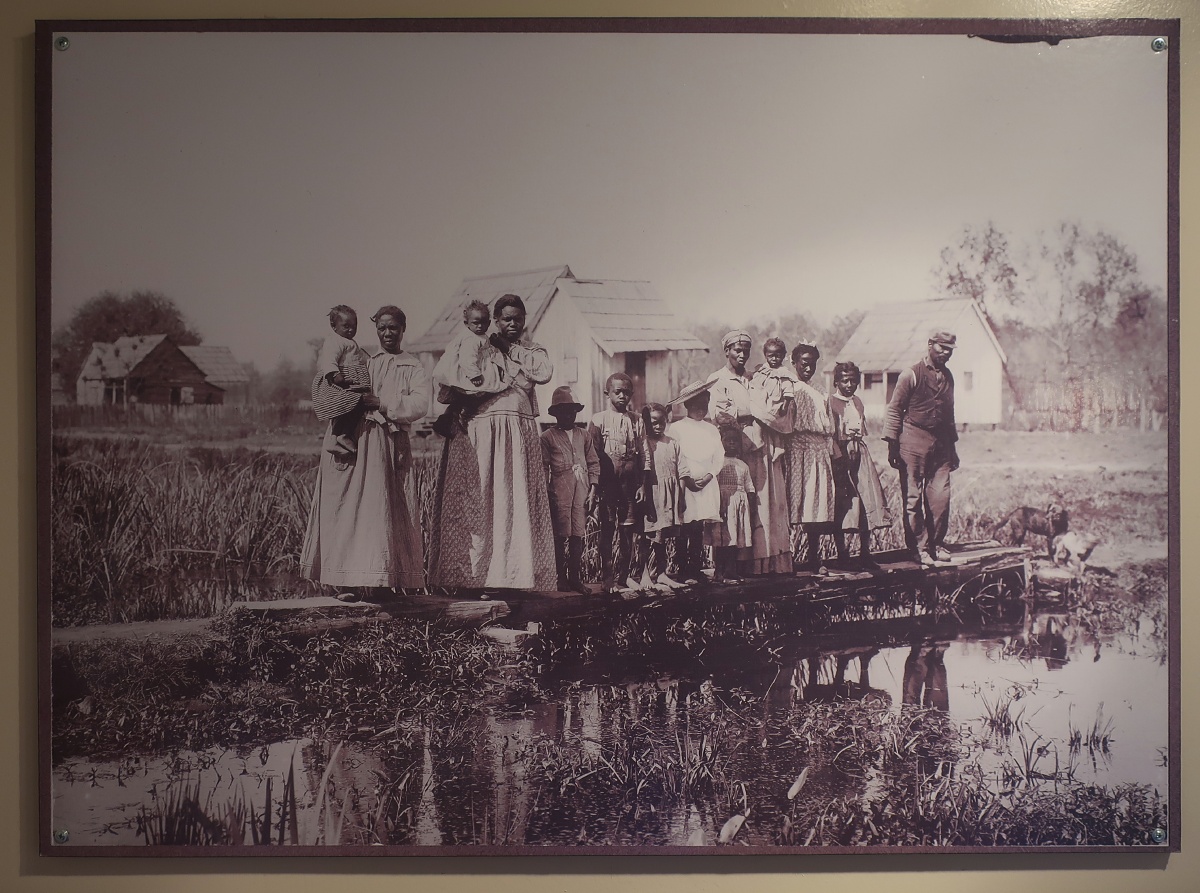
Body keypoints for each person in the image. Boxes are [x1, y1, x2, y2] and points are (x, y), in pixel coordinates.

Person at [428, 294, 558, 592]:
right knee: (481, 498)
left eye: (518, 319)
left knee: (512, 498)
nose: (512, 324)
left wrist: (509, 348)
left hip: (516, 429)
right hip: (482, 429)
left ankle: (513, 578)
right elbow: (452, 380)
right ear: (495, 321)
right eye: (506, 319)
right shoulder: (476, 344)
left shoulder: (530, 350)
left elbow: (544, 372)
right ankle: (471, 579)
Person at [300, 305, 428, 596]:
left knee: (386, 510)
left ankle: (382, 582)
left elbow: (420, 405)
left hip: (390, 442)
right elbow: (337, 385)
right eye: (382, 328)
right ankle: (347, 581)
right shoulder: (365, 361)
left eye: (393, 327)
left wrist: (382, 403)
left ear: (403, 329)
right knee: (351, 508)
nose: (387, 333)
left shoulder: (412, 365)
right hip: (358, 440)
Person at [706, 330, 789, 577]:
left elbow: (772, 407)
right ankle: (733, 565)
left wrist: (756, 412)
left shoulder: (755, 378)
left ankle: (761, 562)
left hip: (758, 449)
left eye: (745, 351)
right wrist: (751, 411)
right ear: (727, 351)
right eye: (737, 350)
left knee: (760, 503)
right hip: (733, 450)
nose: (742, 355)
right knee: (733, 505)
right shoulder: (718, 380)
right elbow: (720, 414)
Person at [883, 330, 960, 568]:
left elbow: (949, 414)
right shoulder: (911, 374)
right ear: (930, 345)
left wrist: (953, 448)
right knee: (913, 498)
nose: (946, 353)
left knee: (940, 498)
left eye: (949, 350)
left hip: (941, 444)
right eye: (941, 347)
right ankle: (919, 548)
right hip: (912, 440)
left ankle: (936, 544)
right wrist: (892, 446)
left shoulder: (948, 377)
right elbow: (894, 409)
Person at [587, 372, 649, 593]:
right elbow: (592, 454)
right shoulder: (598, 419)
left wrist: (643, 484)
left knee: (627, 530)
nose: (623, 396)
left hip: (629, 485)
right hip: (608, 484)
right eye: (618, 392)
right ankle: (607, 577)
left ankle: (624, 576)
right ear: (608, 393)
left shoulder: (637, 420)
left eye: (627, 392)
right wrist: (595, 486)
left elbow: (644, 453)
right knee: (607, 529)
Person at [828, 361, 892, 566]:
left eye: (853, 381)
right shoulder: (830, 403)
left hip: (859, 454)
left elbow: (860, 430)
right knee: (842, 501)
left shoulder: (857, 402)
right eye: (845, 381)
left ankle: (865, 552)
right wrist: (838, 457)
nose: (849, 385)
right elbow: (831, 434)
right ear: (836, 382)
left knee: (867, 498)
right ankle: (842, 553)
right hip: (840, 455)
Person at [540, 386, 599, 594]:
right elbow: (543, 466)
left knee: (577, 533)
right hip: (559, 490)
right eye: (563, 411)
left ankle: (575, 578)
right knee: (560, 534)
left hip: (581, 488)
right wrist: (547, 492)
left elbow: (593, 463)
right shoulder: (547, 437)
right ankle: (560, 577)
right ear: (555, 413)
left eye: (572, 411)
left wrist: (593, 489)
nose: (568, 416)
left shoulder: (584, 435)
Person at [665, 380, 723, 585]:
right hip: (685, 486)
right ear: (687, 405)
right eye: (696, 405)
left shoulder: (712, 430)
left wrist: (708, 476)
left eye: (704, 405)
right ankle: (682, 569)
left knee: (698, 527)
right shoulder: (676, 429)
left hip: (705, 486)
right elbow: (674, 457)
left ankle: (695, 568)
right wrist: (687, 480)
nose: (701, 409)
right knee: (684, 527)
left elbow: (719, 457)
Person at [748, 337, 797, 576]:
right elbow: (754, 397)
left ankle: (777, 557)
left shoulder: (785, 376)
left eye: (778, 355)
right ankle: (759, 557)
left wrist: (782, 407)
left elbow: (788, 400)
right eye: (770, 355)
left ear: (783, 356)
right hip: (760, 430)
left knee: (775, 495)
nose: (774, 359)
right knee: (760, 494)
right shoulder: (759, 374)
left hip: (775, 423)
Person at [786, 343, 836, 574]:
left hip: (817, 451)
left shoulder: (821, 392)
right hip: (794, 449)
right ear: (794, 362)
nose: (808, 368)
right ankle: (786, 558)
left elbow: (829, 427)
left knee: (815, 504)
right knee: (791, 502)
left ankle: (815, 558)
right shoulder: (787, 387)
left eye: (812, 364)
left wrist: (829, 451)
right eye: (804, 363)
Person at [638, 403, 695, 591]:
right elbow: (643, 471)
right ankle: (644, 572)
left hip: (670, 495)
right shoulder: (644, 443)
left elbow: (682, 471)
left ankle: (661, 573)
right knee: (648, 535)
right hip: (653, 494)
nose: (658, 426)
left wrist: (681, 497)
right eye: (653, 422)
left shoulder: (673, 443)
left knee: (662, 535)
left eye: (661, 422)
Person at [430, 300, 507, 438]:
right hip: (468, 374)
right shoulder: (470, 339)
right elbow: (467, 359)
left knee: (464, 399)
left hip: (472, 371)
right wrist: (474, 375)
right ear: (467, 323)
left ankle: (449, 419)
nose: (480, 326)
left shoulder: (478, 336)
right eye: (476, 323)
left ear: (489, 323)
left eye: (483, 322)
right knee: (474, 396)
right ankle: (458, 418)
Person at [312, 305, 374, 457]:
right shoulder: (334, 341)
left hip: (351, 381)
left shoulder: (351, 342)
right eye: (346, 326)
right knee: (349, 407)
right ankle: (342, 435)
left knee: (350, 408)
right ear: (334, 326)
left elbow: (362, 358)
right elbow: (329, 360)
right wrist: (336, 375)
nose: (351, 330)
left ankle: (336, 438)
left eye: (354, 326)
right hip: (341, 381)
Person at [713, 426, 757, 583]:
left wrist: (750, 506)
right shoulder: (718, 463)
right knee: (722, 539)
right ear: (721, 442)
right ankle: (719, 571)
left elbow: (749, 487)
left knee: (734, 539)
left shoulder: (743, 465)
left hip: (738, 506)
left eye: (735, 440)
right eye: (728, 440)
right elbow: (714, 486)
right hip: (723, 505)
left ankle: (731, 570)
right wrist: (718, 505)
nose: (731, 443)